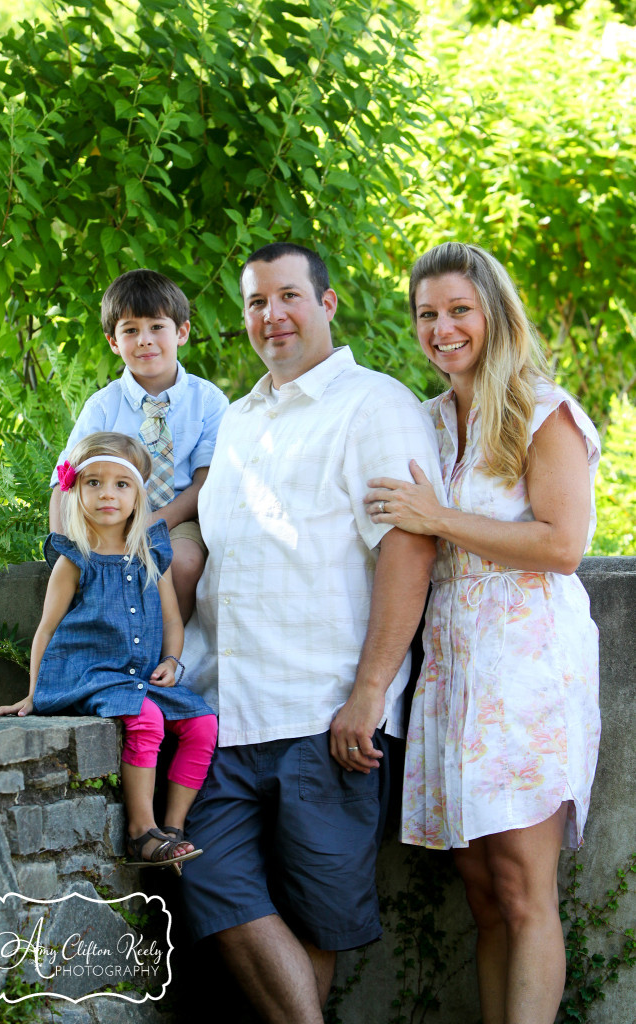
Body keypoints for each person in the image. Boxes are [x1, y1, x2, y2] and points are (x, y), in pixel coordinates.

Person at [178, 242, 445, 1023]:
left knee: (317, 918)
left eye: (289, 296)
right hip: (222, 712)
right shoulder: (237, 419)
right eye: (257, 301)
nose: (272, 315)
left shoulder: (375, 405)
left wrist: (367, 696)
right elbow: (215, 542)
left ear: (326, 305)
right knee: (204, 875)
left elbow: (409, 547)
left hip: (325, 716)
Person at [364, 241, 601, 1024]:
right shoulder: (426, 420)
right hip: (454, 665)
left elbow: (564, 546)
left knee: (523, 889)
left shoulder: (543, 412)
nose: (442, 328)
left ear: (494, 315)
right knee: (481, 891)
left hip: (526, 662)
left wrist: (439, 518)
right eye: (428, 314)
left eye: (459, 310)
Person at [0, 432, 218, 873]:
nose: (106, 494)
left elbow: (173, 621)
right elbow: (46, 629)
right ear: (75, 491)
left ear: (138, 496)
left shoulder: (152, 554)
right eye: (93, 482)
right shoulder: (75, 559)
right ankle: (140, 831)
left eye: (121, 484)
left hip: (137, 678)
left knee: (202, 723)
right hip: (88, 673)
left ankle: (171, 829)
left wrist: (171, 661)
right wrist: (33, 692)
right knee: (147, 720)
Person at [49, 269, 228, 622]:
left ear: (182, 331)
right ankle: (118, 646)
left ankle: (168, 651)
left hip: (179, 517)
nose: (144, 340)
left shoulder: (208, 401)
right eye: (130, 330)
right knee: (102, 574)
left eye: (156, 327)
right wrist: (63, 545)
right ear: (114, 342)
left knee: (185, 562)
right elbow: (65, 477)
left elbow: (206, 483)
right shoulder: (102, 406)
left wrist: (153, 521)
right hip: (112, 515)